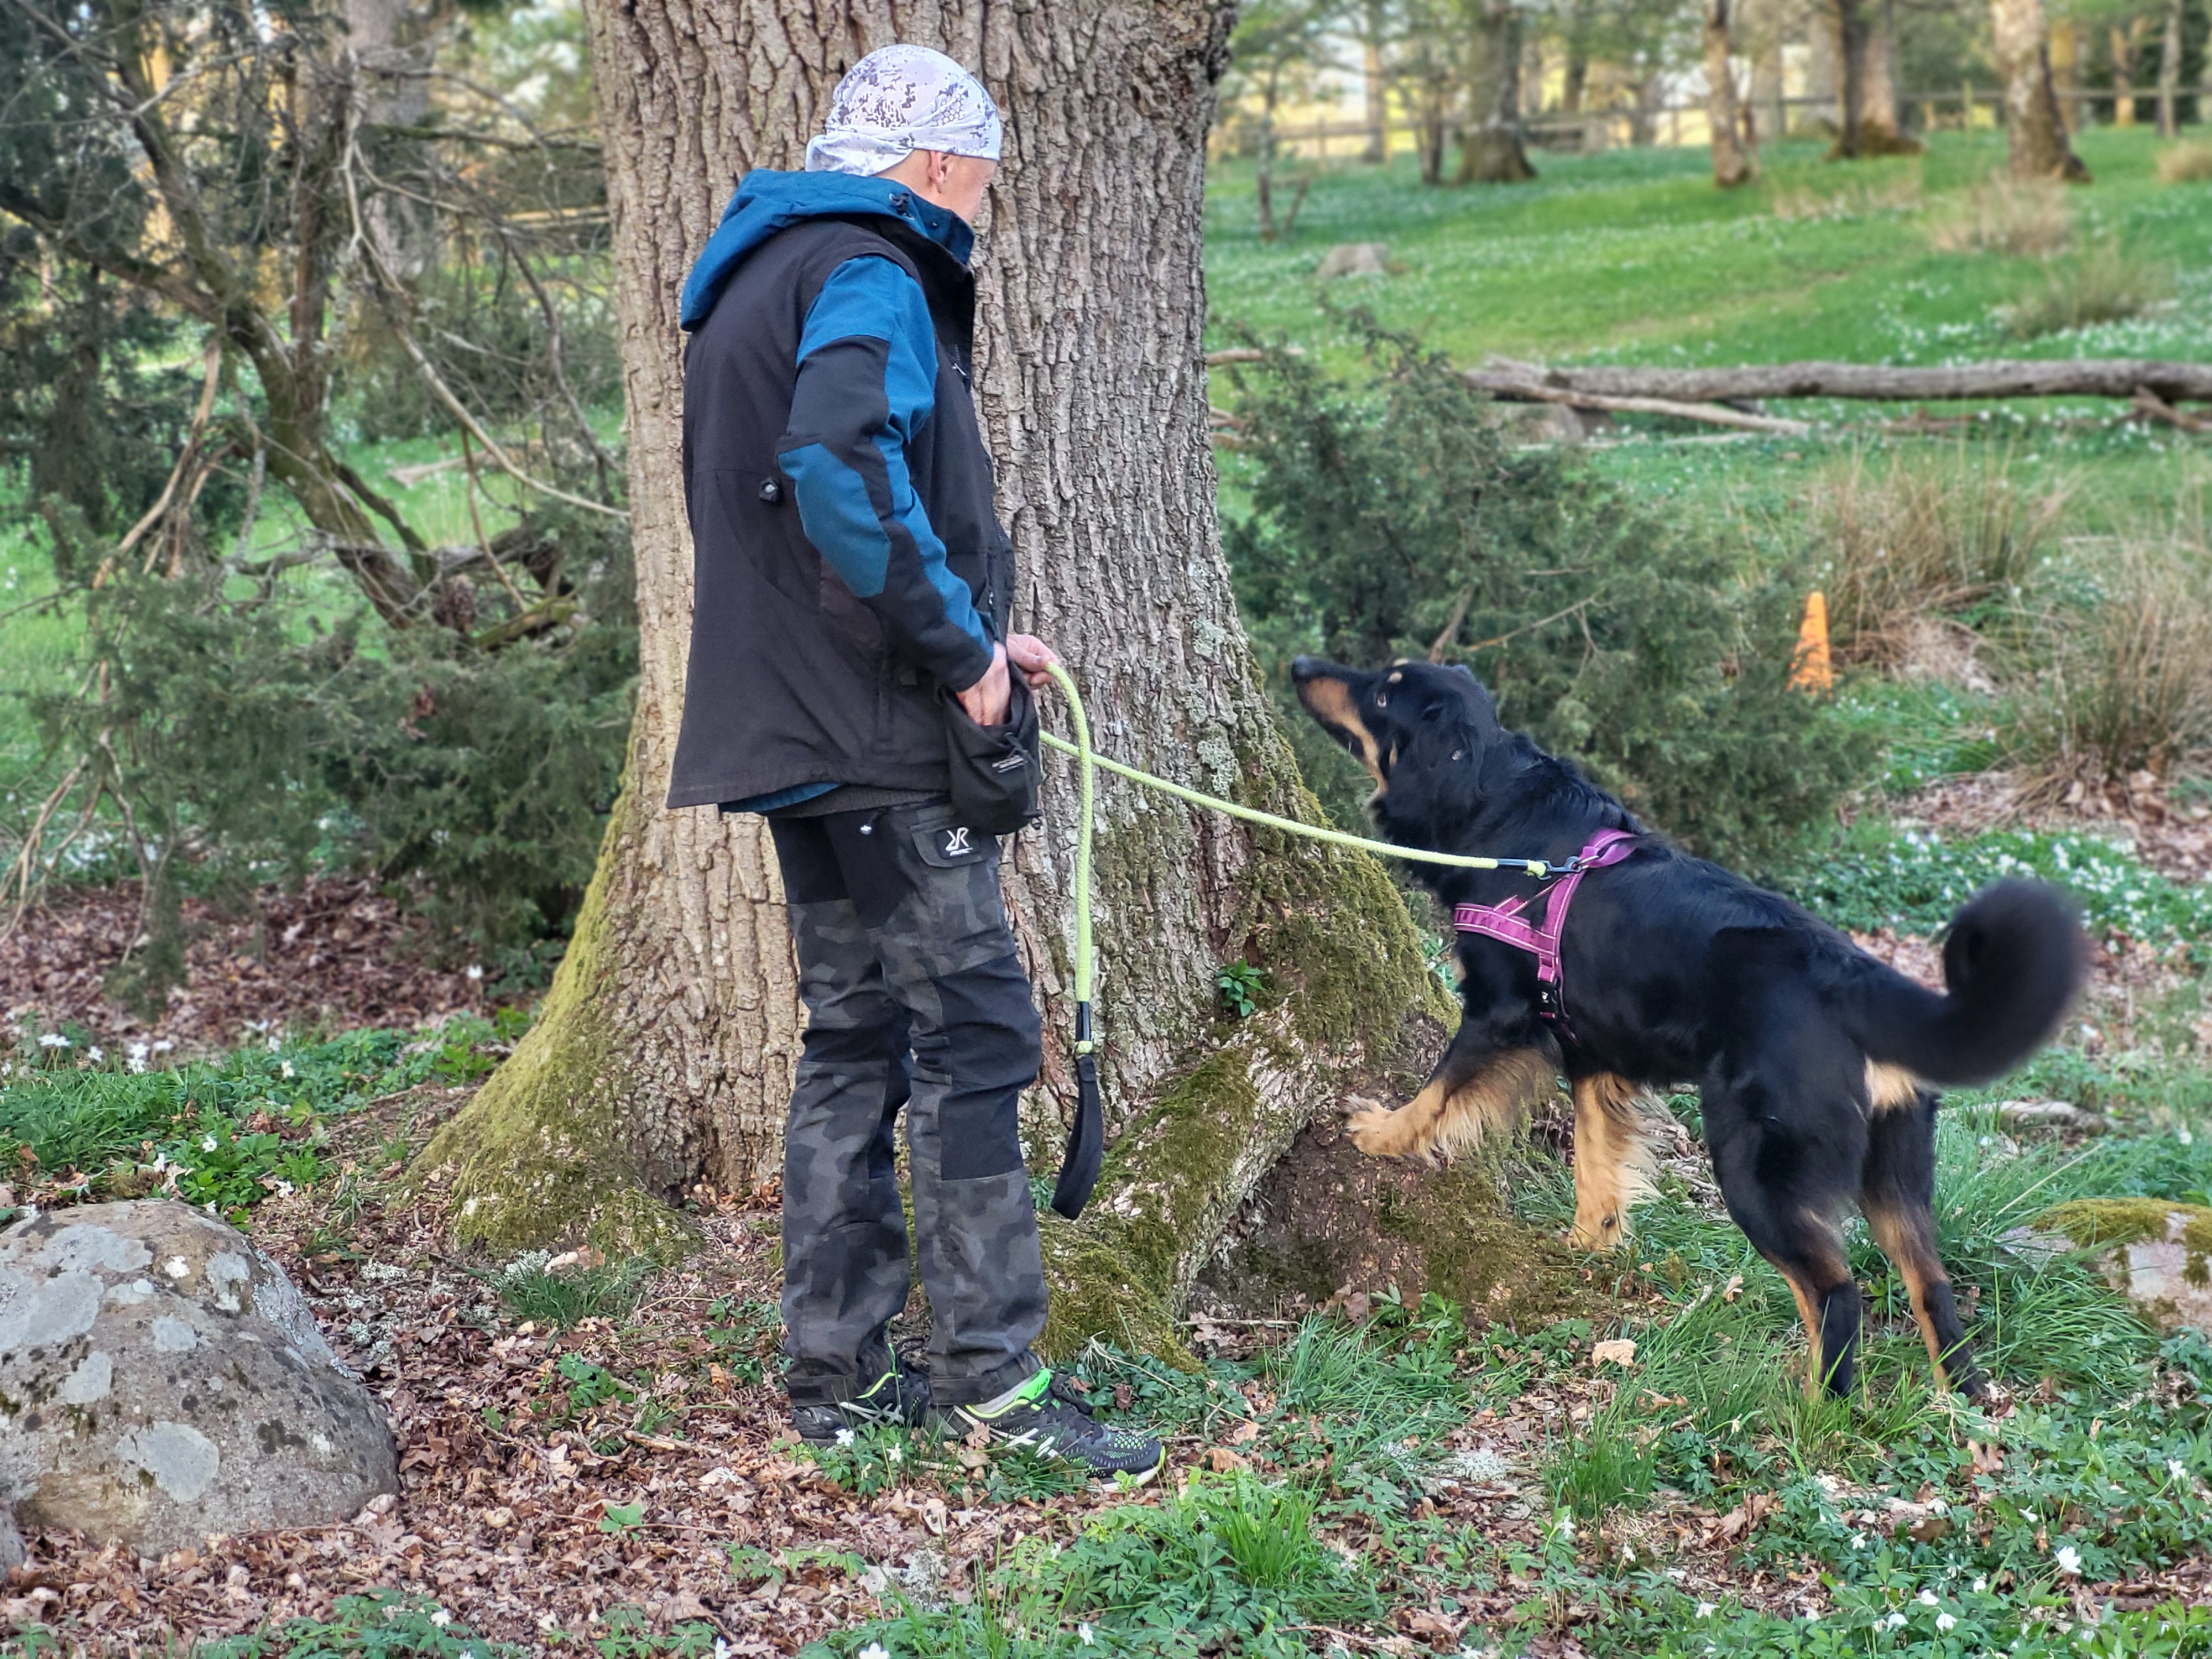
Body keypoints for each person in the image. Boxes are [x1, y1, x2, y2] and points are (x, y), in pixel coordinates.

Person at [667, 44, 1162, 1483]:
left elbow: (806, 495)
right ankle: (996, 1393)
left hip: (797, 734)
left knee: (855, 1035)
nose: (986, 202)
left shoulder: (762, 269)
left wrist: (993, 641)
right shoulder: (875, 265)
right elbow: (835, 465)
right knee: (978, 1033)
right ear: (939, 166)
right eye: (985, 177)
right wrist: (962, 657)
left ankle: (836, 1375)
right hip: (877, 740)